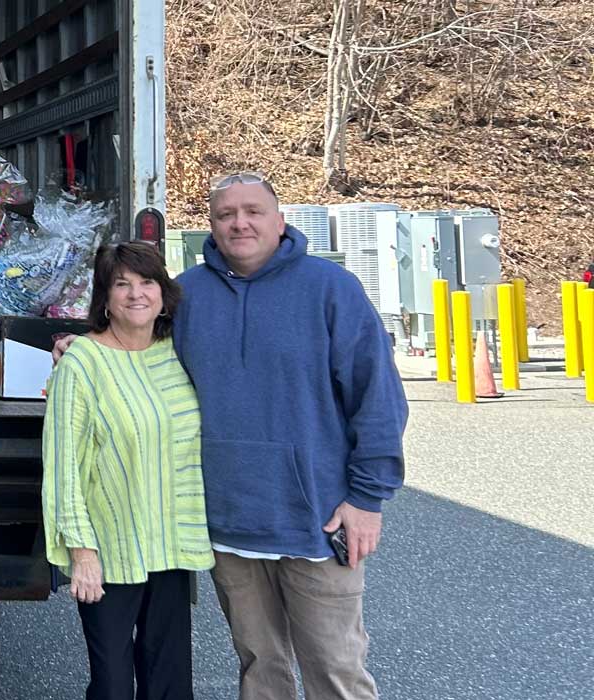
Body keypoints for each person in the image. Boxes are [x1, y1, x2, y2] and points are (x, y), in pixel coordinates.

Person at [60, 173, 408, 699]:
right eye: (226, 215)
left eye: (253, 211)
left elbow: (378, 397)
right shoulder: (190, 295)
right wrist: (80, 346)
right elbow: (136, 338)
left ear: (280, 221)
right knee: (260, 667)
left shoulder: (330, 289)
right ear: (212, 227)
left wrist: (367, 497)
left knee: (335, 669)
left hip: (315, 520)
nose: (240, 223)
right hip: (227, 528)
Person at [43, 241, 213, 700]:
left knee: (170, 682)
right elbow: (63, 468)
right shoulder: (82, 363)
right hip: (111, 550)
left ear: (163, 292)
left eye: (147, 282)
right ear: (105, 298)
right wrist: (82, 553)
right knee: (113, 685)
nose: (136, 294)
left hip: (172, 546)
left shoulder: (178, 351)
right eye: (122, 285)